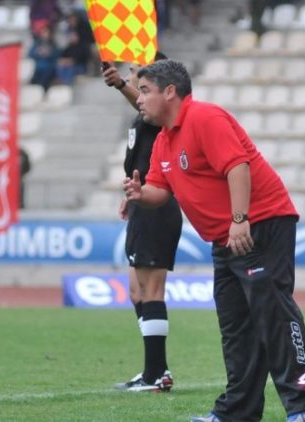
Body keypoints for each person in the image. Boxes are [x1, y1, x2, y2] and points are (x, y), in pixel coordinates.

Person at [122, 59, 305, 421]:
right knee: (236, 327)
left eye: (145, 90)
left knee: (272, 312)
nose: (139, 99)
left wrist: (239, 220)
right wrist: (141, 193)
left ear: (170, 92)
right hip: (226, 237)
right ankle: (238, 412)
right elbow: (160, 189)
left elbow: (237, 166)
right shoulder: (164, 141)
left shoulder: (205, 117)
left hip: (260, 224)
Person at [103, 54, 183, 393]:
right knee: (136, 290)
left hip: (156, 207)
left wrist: (120, 84)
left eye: (137, 74)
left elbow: (139, 99)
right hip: (143, 203)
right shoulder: (144, 116)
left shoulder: (157, 111)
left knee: (151, 290)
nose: (132, 77)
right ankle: (156, 369)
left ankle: (155, 376)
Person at [28, 24, 59, 91]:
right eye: (43, 32)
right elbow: (30, 54)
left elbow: (57, 55)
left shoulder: (53, 44)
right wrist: (37, 52)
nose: (44, 34)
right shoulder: (37, 43)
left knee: (47, 73)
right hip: (37, 67)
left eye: (46, 32)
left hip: (49, 67)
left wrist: (49, 53)